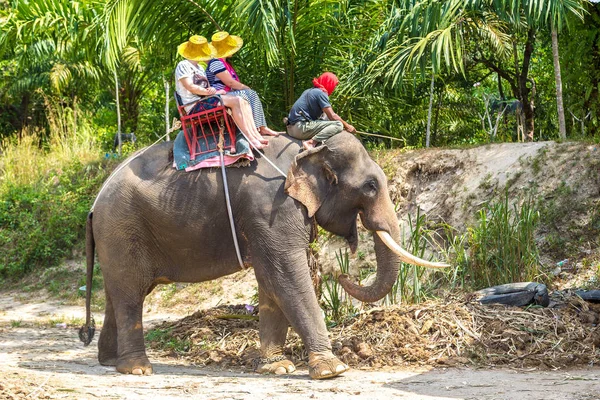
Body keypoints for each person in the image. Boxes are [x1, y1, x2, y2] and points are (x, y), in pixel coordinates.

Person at [175, 35, 268, 149]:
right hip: (194, 105)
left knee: (242, 100)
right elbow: (191, 87)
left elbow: (208, 88)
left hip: (205, 100)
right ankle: (250, 138)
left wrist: (215, 91)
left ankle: (255, 135)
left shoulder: (200, 68)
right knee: (236, 101)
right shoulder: (183, 65)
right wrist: (209, 92)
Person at [206, 31, 282, 137]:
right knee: (249, 93)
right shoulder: (215, 63)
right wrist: (246, 88)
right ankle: (256, 128)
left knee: (250, 93)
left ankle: (261, 127)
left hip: (228, 93)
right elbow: (230, 83)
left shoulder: (224, 63)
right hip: (221, 95)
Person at [285, 72, 355, 150]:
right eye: (334, 85)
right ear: (329, 84)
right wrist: (348, 126)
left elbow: (326, 116)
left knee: (325, 117)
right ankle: (311, 143)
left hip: (290, 129)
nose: (334, 88)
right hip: (300, 129)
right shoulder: (320, 93)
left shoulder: (309, 91)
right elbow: (332, 116)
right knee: (338, 125)